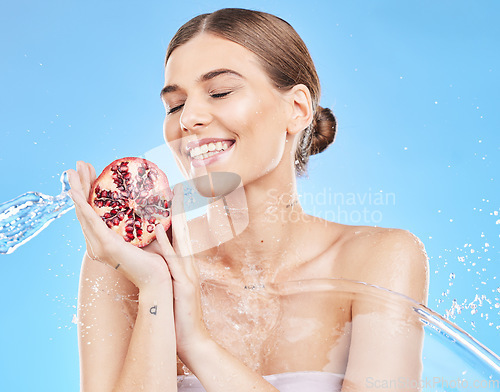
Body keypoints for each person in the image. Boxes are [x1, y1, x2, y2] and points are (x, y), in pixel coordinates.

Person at [67, 8, 429, 392]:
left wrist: (196, 343)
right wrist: (156, 291)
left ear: (297, 109)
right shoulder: (124, 261)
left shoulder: (377, 259)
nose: (187, 118)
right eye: (174, 105)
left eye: (220, 91)